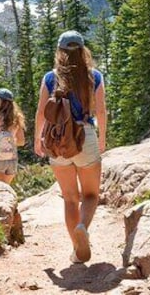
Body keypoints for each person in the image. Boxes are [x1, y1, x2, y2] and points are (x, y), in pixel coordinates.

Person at [34, 30, 107, 264]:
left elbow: (41, 112)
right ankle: (83, 227)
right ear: (83, 51)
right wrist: (102, 138)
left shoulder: (50, 77)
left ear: (60, 52)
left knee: (69, 198)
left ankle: (77, 249)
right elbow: (101, 111)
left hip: (58, 141)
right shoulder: (93, 76)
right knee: (91, 195)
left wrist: (38, 140)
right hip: (84, 135)